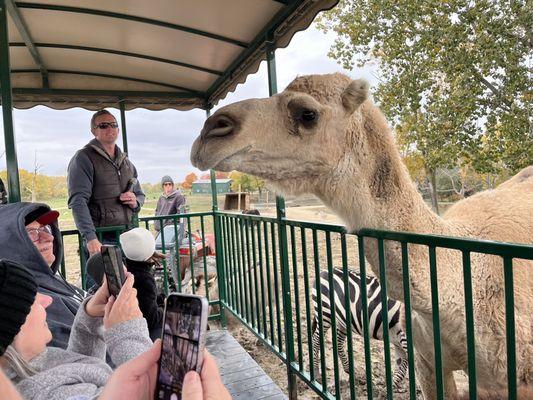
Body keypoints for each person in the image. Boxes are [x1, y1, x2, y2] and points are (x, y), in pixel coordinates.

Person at [0, 258, 152, 400]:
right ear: (10, 330)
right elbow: (152, 391)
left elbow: (76, 375)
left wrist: (89, 322)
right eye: (32, 299)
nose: (47, 300)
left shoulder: (27, 365)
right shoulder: (47, 395)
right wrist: (128, 331)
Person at [0, 202, 83, 349]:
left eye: (45, 228)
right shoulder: (34, 304)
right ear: (8, 243)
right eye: (31, 232)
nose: (48, 237)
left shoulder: (51, 281)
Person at [67, 109, 145, 256]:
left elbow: (140, 194)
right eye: (103, 125)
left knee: (129, 279)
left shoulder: (126, 162)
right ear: (93, 131)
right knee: (102, 279)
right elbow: (78, 201)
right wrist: (90, 237)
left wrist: (135, 202)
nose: (110, 128)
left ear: (118, 129)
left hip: (127, 236)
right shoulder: (84, 158)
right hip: (101, 238)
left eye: (113, 124)